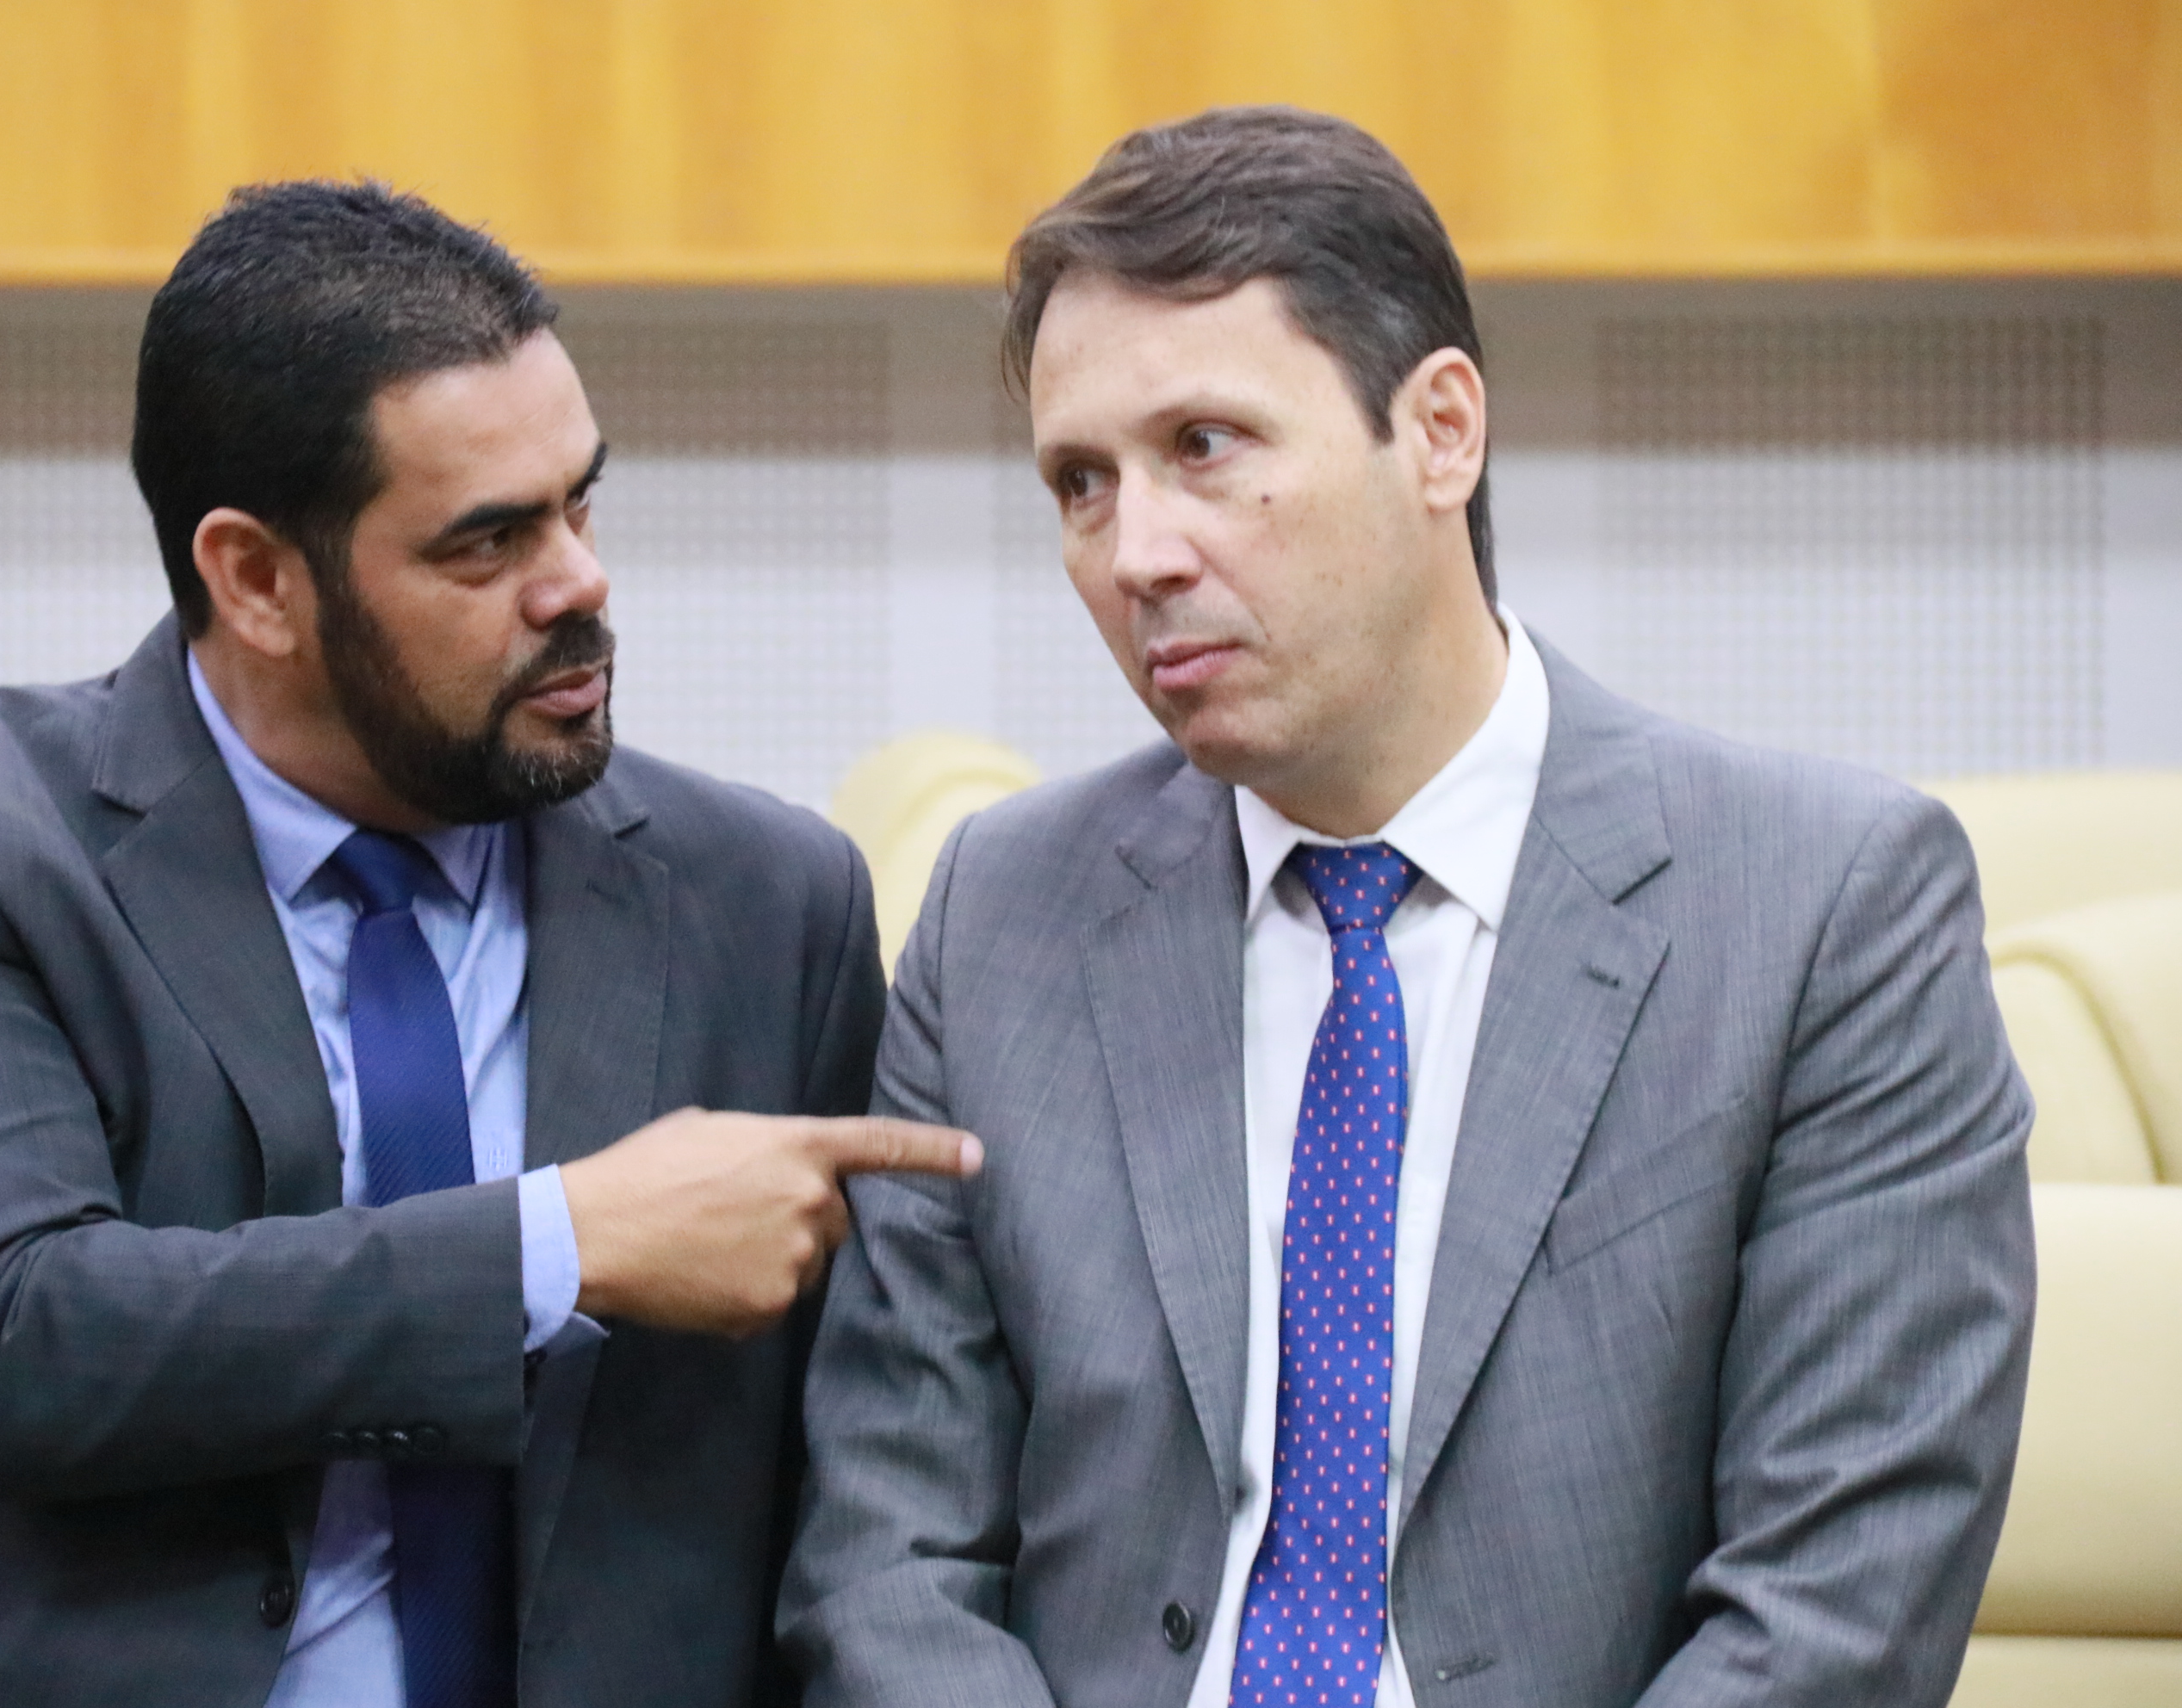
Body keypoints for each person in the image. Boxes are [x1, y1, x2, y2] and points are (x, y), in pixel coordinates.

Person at [782, 107, 2034, 1708]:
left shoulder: (1824, 908)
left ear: (1440, 432)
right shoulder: (1001, 915)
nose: (1136, 552)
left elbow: (1838, 1610)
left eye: (1205, 447)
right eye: (1081, 482)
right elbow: (884, 1560)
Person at [0, 181, 977, 1708]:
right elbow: (8, 1345)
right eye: (487, 543)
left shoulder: (767, 903)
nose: (579, 582)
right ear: (257, 581)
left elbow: (869, 1483)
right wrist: (558, 1246)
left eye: (579, 503)